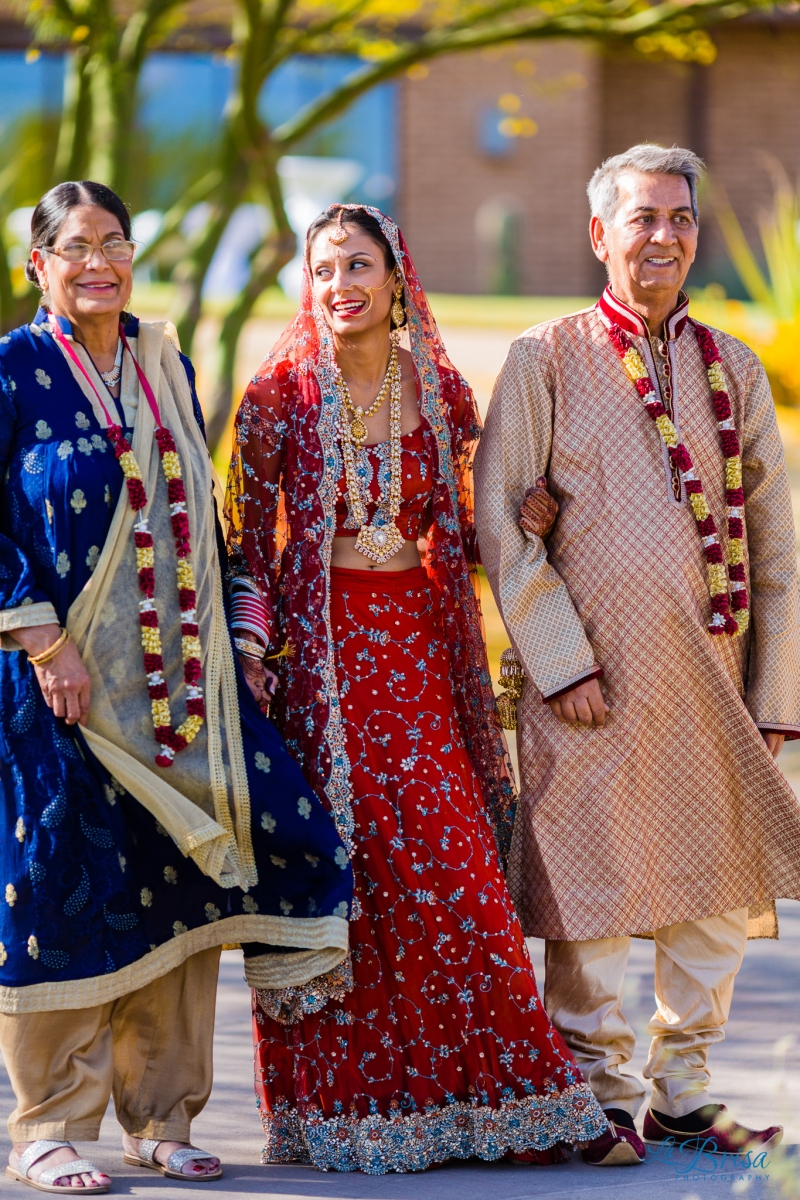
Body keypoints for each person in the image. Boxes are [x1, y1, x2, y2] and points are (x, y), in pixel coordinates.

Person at [222, 203, 643, 1175]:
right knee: (348, 880)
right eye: (322, 269)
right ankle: (342, 1116)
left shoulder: (442, 394)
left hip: (414, 656)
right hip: (320, 673)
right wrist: (252, 656)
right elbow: (245, 547)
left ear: (397, 276)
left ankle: (519, 1103)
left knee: (452, 871)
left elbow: (478, 518)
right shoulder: (277, 395)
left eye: (357, 264)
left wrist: (537, 509)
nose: (338, 285)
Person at [0, 181, 353, 1193]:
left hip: (174, 683)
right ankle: (47, 1127)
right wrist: (43, 642)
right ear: (41, 265)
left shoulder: (166, 365)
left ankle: (161, 1118)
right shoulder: (13, 374)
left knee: (173, 889)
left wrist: (237, 634)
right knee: (60, 885)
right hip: (56, 688)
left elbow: (205, 515)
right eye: (76, 246)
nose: (99, 260)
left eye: (115, 241)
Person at [474, 143, 800, 1156]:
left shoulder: (730, 365)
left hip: (711, 676)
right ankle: (596, 1093)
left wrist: (775, 687)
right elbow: (500, 522)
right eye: (641, 218)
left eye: (678, 219)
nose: (661, 237)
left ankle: (685, 1088)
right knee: (592, 883)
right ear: (596, 235)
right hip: (589, 684)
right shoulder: (545, 357)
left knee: (712, 883)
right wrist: (559, 659)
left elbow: (777, 540)